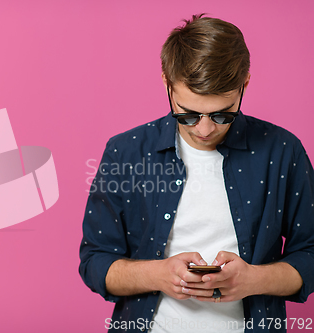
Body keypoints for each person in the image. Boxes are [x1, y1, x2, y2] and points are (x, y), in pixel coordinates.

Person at [79, 14, 314, 333]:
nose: (205, 129)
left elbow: (311, 254)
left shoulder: (283, 151)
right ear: (166, 82)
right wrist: (158, 275)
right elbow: (95, 262)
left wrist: (253, 280)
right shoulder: (126, 151)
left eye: (222, 114)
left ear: (244, 84)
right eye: (188, 115)